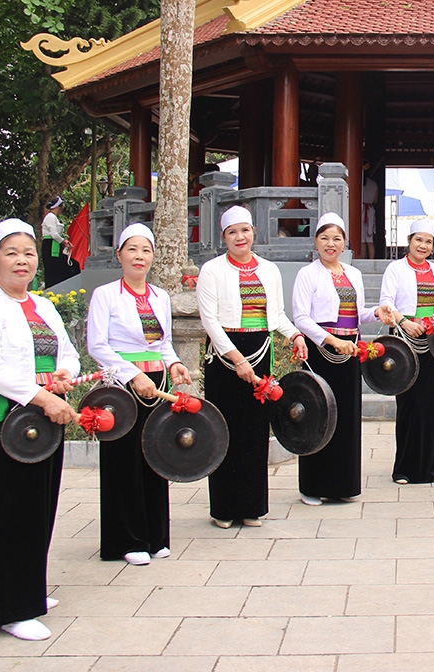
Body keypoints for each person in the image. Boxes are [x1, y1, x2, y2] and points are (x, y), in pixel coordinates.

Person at [0, 218, 80, 641]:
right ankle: (12, 607)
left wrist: (65, 372)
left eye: (28, 253)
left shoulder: (43, 306)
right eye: (11, 252)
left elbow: (67, 351)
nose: (22, 260)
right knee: (9, 509)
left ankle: (29, 589)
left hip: (43, 413)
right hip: (5, 416)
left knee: (38, 504)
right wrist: (43, 396)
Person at [197, 205, 307, 529]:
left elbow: (277, 316)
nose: (239, 237)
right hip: (226, 357)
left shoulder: (269, 270)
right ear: (224, 237)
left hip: (260, 352)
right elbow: (210, 321)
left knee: (255, 431)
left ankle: (251, 506)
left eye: (244, 230)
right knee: (226, 430)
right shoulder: (212, 270)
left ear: (253, 232)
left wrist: (296, 335)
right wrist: (236, 359)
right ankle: (224, 508)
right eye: (232, 232)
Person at [86, 223, 190, 565]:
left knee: (155, 457)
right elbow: (97, 345)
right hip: (121, 388)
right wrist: (132, 376)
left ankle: (155, 535)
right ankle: (126, 540)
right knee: (124, 462)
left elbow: (164, 343)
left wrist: (173, 364)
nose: (139, 256)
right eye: (132, 249)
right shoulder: (105, 295)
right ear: (119, 255)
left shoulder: (160, 296)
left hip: (155, 384)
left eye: (145, 250)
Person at [292, 213, 382, 504]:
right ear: (316, 242)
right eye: (325, 238)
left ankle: (343, 485)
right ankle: (313, 486)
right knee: (318, 416)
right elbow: (301, 318)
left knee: (346, 418)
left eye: (337, 238)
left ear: (345, 243)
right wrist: (331, 341)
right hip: (321, 352)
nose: (331, 244)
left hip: (349, 352)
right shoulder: (308, 274)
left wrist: (377, 312)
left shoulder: (353, 274)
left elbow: (358, 315)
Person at [377, 219, 434, 484]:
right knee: (409, 404)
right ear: (409, 240)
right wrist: (404, 322)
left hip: (433, 341)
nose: (423, 245)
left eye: (428, 241)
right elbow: (386, 303)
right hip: (405, 341)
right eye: (419, 240)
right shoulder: (395, 269)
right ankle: (405, 468)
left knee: (433, 403)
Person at [41, 196, 77, 287]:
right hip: (50, 245)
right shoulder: (50, 217)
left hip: (55, 244)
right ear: (58, 207)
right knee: (53, 268)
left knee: (62, 267)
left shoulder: (54, 217)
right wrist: (63, 241)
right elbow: (54, 234)